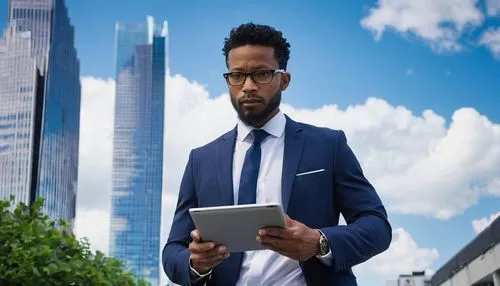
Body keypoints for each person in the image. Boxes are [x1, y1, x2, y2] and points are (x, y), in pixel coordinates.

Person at [162, 22, 392, 286]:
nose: (247, 86)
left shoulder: (329, 145)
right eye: (237, 75)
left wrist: (319, 242)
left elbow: (376, 226)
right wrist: (194, 263)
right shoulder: (200, 160)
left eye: (261, 74)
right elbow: (173, 251)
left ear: (284, 80)